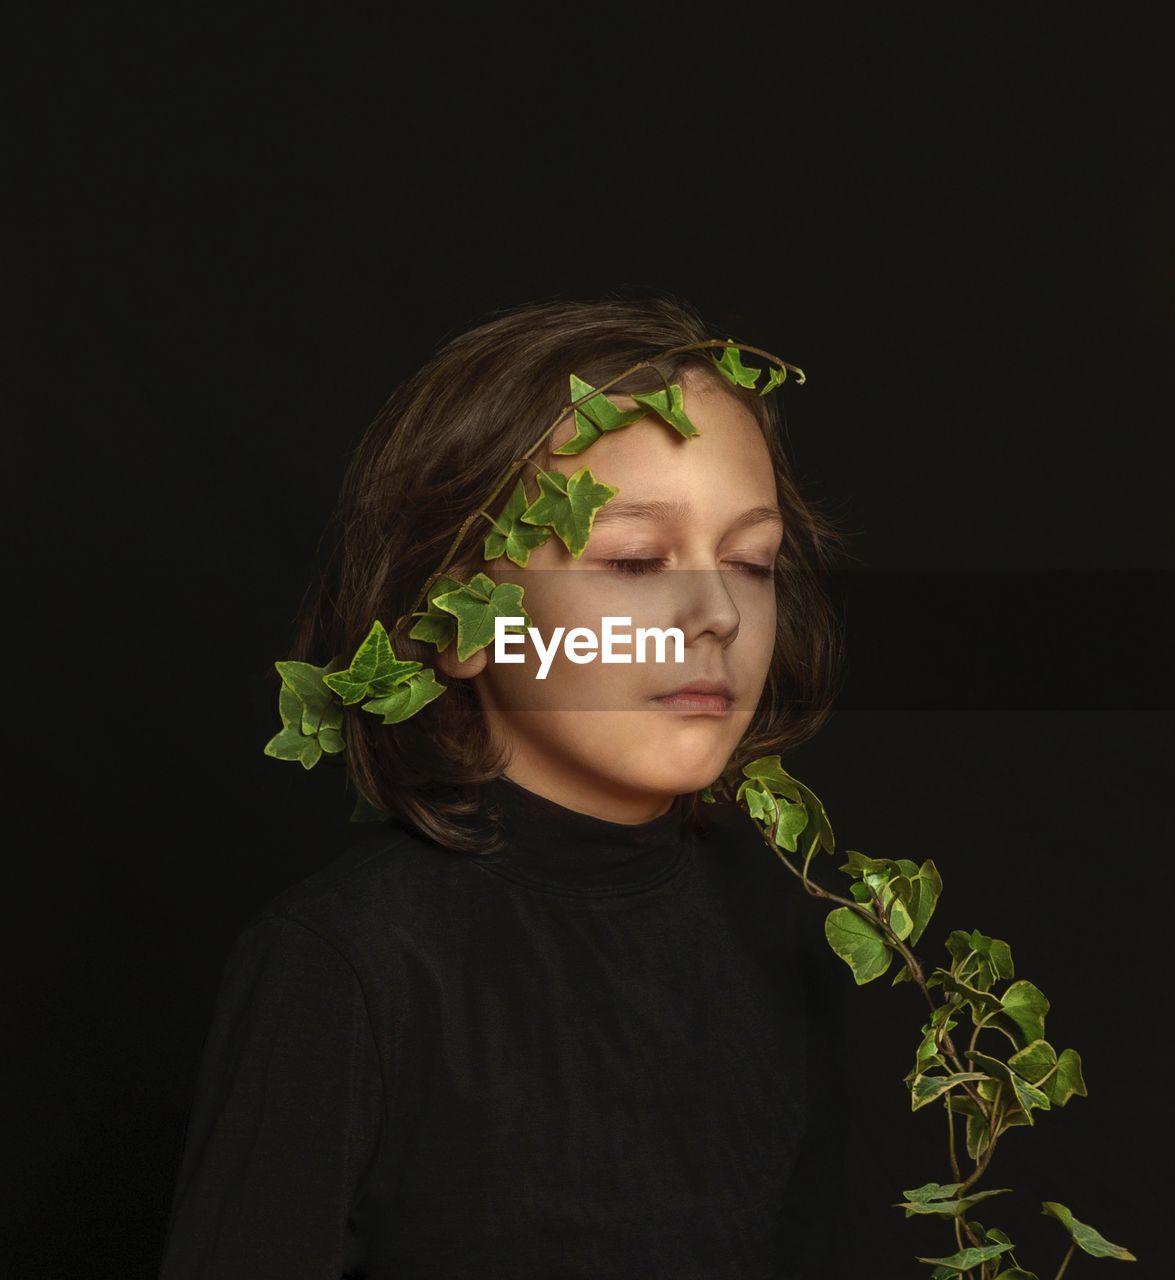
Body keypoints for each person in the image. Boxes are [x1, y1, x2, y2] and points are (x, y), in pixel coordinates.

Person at [157, 294, 859, 1278]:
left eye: (748, 562)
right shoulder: (350, 964)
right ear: (461, 615)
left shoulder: (777, 928)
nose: (713, 614)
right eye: (634, 559)